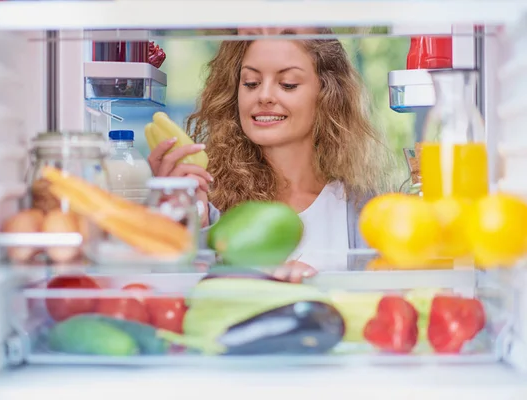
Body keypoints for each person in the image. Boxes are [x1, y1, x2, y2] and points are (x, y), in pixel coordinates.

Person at [148, 27, 392, 282]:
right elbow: (175, 294)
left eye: (287, 85)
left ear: (327, 94)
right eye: (251, 83)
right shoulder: (208, 196)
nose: (264, 96)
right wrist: (182, 216)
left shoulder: (361, 209)